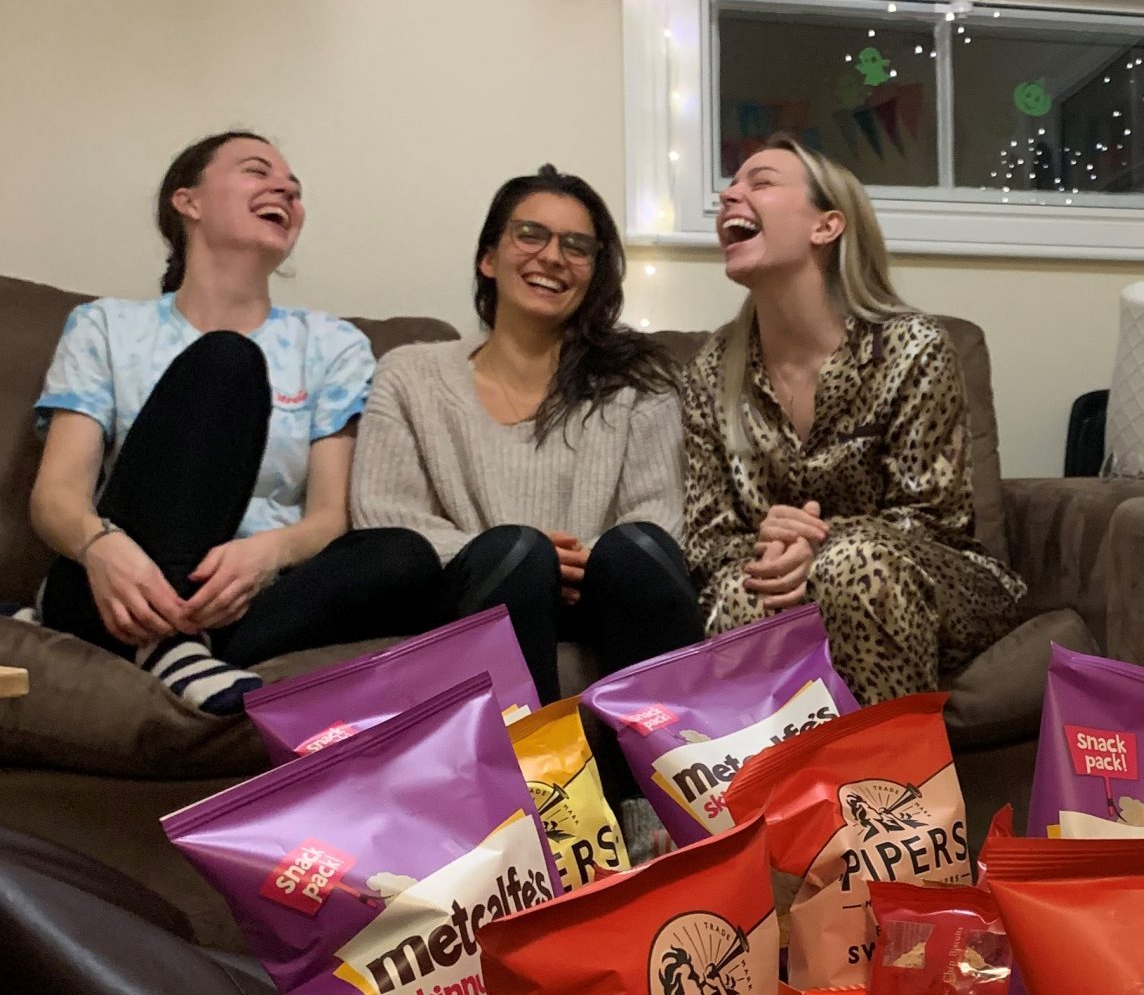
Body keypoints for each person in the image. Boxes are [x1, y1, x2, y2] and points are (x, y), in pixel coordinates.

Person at [30, 131, 439, 714]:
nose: (285, 190)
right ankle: (160, 634)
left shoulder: (331, 345)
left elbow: (328, 517)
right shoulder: (106, 327)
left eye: (294, 190)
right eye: (257, 171)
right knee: (227, 360)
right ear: (188, 202)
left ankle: (177, 645)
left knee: (405, 557)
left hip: (252, 592)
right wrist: (100, 549)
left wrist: (268, 554)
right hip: (123, 576)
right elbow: (56, 495)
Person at [681, 138, 1022, 704]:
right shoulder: (711, 373)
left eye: (760, 182)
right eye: (730, 186)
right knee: (742, 594)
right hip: (776, 577)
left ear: (827, 226)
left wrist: (819, 540)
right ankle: (774, 791)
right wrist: (771, 552)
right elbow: (706, 539)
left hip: (931, 577)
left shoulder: (912, 348)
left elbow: (933, 519)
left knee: (853, 566)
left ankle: (897, 785)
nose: (729, 194)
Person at [348, 166, 697, 704]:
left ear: (594, 272)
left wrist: (580, 564)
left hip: (603, 597)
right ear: (488, 258)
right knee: (517, 552)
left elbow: (659, 516)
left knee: (637, 549)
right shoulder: (410, 374)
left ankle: (653, 783)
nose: (554, 256)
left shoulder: (639, 380)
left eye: (577, 246)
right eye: (530, 234)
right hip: (477, 595)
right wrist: (530, 558)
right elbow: (386, 517)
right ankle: (531, 784)